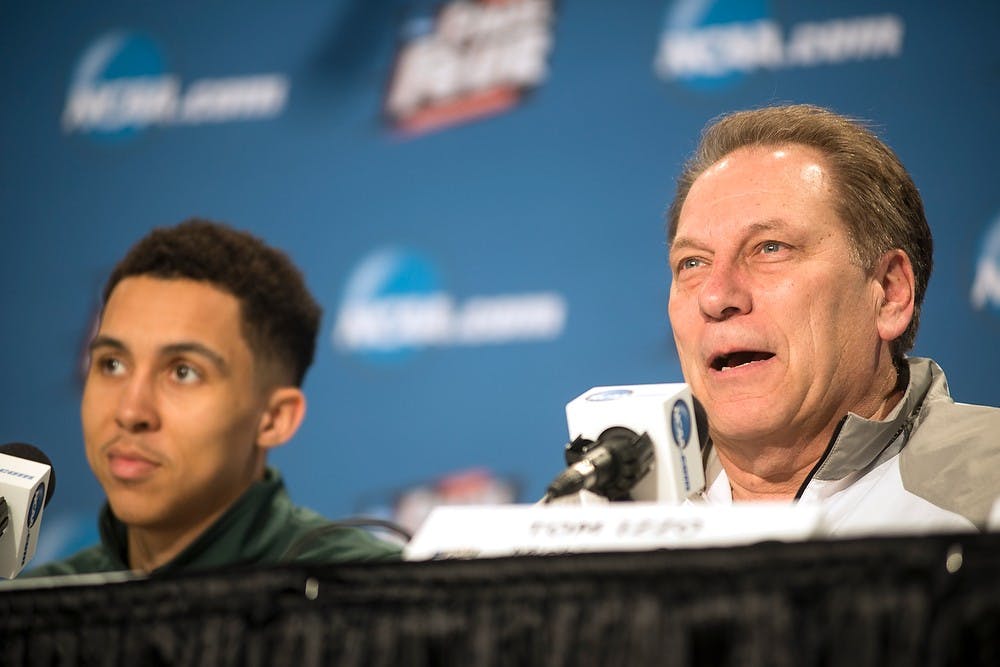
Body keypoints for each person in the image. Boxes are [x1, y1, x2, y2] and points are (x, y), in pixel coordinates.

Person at [665, 103, 1000, 534]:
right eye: (693, 263)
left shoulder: (988, 491)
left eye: (771, 248)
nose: (715, 296)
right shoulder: (583, 519)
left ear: (890, 294)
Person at [26, 219, 400, 577]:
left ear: (274, 419)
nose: (130, 411)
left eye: (183, 372)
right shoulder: (32, 611)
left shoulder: (380, 601)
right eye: (112, 364)